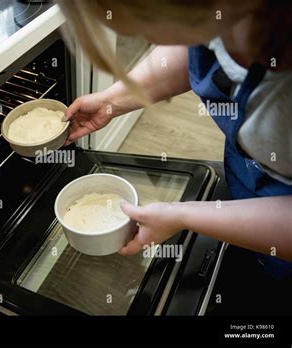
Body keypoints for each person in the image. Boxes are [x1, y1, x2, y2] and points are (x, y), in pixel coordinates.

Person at [57, 0, 292, 277]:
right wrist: (111, 102)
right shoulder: (221, 13)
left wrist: (182, 216)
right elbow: (194, 42)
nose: (145, 39)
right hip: (247, 179)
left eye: (144, 27)